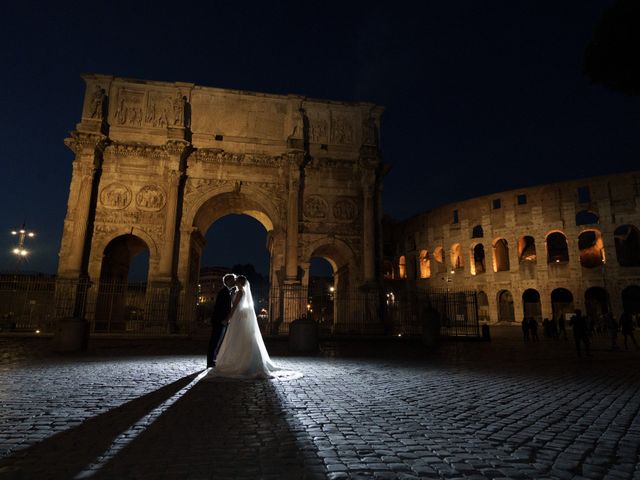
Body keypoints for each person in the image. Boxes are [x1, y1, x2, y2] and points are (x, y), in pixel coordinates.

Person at [212, 276, 288, 379]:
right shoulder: (242, 291)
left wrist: (228, 318)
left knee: (236, 338)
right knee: (241, 338)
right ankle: (244, 360)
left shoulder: (239, 292)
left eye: (236, 281)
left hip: (237, 317)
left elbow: (234, 307)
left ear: (239, 282)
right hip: (240, 316)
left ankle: (238, 361)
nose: (234, 282)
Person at [207, 273, 237, 368]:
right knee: (215, 341)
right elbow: (220, 308)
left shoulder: (226, 292)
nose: (234, 282)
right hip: (220, 320)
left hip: (221, 320)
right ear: (227, 281)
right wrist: (224, 319)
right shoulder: (223, 292)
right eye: (232, 280)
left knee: (217, 341)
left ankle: (213, 360)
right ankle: (210, 361)